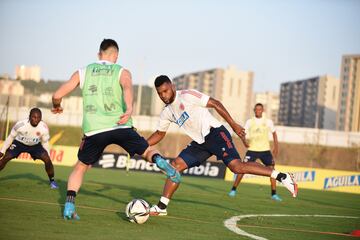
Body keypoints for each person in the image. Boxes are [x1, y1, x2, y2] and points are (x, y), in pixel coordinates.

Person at [51, 39, 180, 220]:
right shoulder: (122, 71)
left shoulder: (83, 72)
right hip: (120, 125)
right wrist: (129, 109)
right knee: (147, 150)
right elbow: (127, 87)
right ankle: (160, 162)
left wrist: (57, 105)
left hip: (94, 130)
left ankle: (69, 205)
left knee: (81, 167)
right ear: (116, 55)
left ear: (99, 54)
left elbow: (57, 95)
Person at [147, 75, 297, 216]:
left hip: (216, 134)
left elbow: (215, 104)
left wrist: (233, 125)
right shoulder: (167, 112)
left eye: (165, 91)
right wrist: (141, 145)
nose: (163, 96)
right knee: (175, 166)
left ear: (172, 86)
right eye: (160, 93)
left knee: (237, 167)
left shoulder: (187, 95)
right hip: (200, 143)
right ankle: (161, 208)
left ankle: (282, 176)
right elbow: (159, 134)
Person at [228, 103, 282, 201]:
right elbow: (243, 133)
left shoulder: (268, 122)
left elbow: (274, 133)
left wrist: (276, 147)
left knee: (272, 170)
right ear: (254, 110)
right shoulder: (249, 121)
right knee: (242, 169)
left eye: (260, 109)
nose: (258, 111)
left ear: (263, 110)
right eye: (256, 109)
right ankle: (233, 190)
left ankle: (274, 194)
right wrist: (244, 142)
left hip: (265, 150)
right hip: (252, 150)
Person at [0, 108, 58, 189]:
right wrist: (2, 151)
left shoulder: (44, 128)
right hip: (19, 143)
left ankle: (52, 181)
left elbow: (44, 142)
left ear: (41, 118)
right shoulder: (20, 125)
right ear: (29, 117)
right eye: (34, 117)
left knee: (47, 160)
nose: (36, 119)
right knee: (6, 158)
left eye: (38, 118)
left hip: (35, 146)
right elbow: (11, 137)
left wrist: (48, 155)